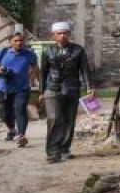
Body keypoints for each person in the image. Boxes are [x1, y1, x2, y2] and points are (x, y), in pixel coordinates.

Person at [39, 21, 95, 163]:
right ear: (53, 36)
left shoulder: (78, 50)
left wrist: (89, 87)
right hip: (53, 88)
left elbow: (85, 70)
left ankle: (64, 148)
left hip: (72, 87)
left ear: (69, 34)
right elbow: (43, 73)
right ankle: (52, 151)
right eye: (59, 33)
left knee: (69, 119)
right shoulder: (47, 51)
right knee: (54, 118)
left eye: (65, 33)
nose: (62, 36)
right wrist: (41, 91)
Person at [0, 32, 38, 147]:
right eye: (16, 41)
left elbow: (35, 67)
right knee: (6, 113)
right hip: (4, 88)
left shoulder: (29, 54)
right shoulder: (3, 52)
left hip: (22, 88)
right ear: (10, 42)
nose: (19, 43)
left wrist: (34, 79)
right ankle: (11, 130)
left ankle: (21, 135)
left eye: (21, 41)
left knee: (20, 109)